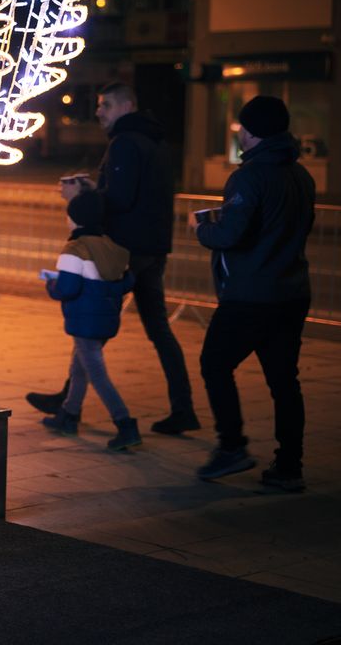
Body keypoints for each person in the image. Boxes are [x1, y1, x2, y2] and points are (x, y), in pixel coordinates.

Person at [29, 82, 198, 435]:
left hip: (124, 251)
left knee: (89, 332)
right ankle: (182, 408)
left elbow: (119, 200)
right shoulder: (155, 141)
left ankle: (79, 410)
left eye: (105, 105)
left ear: (126, 106)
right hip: (153, 248)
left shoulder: (125, 143)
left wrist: (83, 197)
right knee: (157, 330)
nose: (98, 111)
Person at [193, 96, 315, 491]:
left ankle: (232, 447)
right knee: (284, 381)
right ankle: (289, 466)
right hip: (292, 293)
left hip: (250, 295)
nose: (240, 134)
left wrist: (203, 230)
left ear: (252, 131)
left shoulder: (249, 177)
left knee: (215, 364)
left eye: (243, 128)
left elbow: (231, 235)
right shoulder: (301, 176)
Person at [41, 192, 140, 450]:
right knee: (79, 368)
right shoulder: (111, 247)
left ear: (75, 219)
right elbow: (126, 281)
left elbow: (68, 288)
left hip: (84, 320)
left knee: (96, 373)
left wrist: (52, 284)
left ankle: (125, 423)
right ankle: (69, 415)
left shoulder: (75, 249)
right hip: (106, 319)